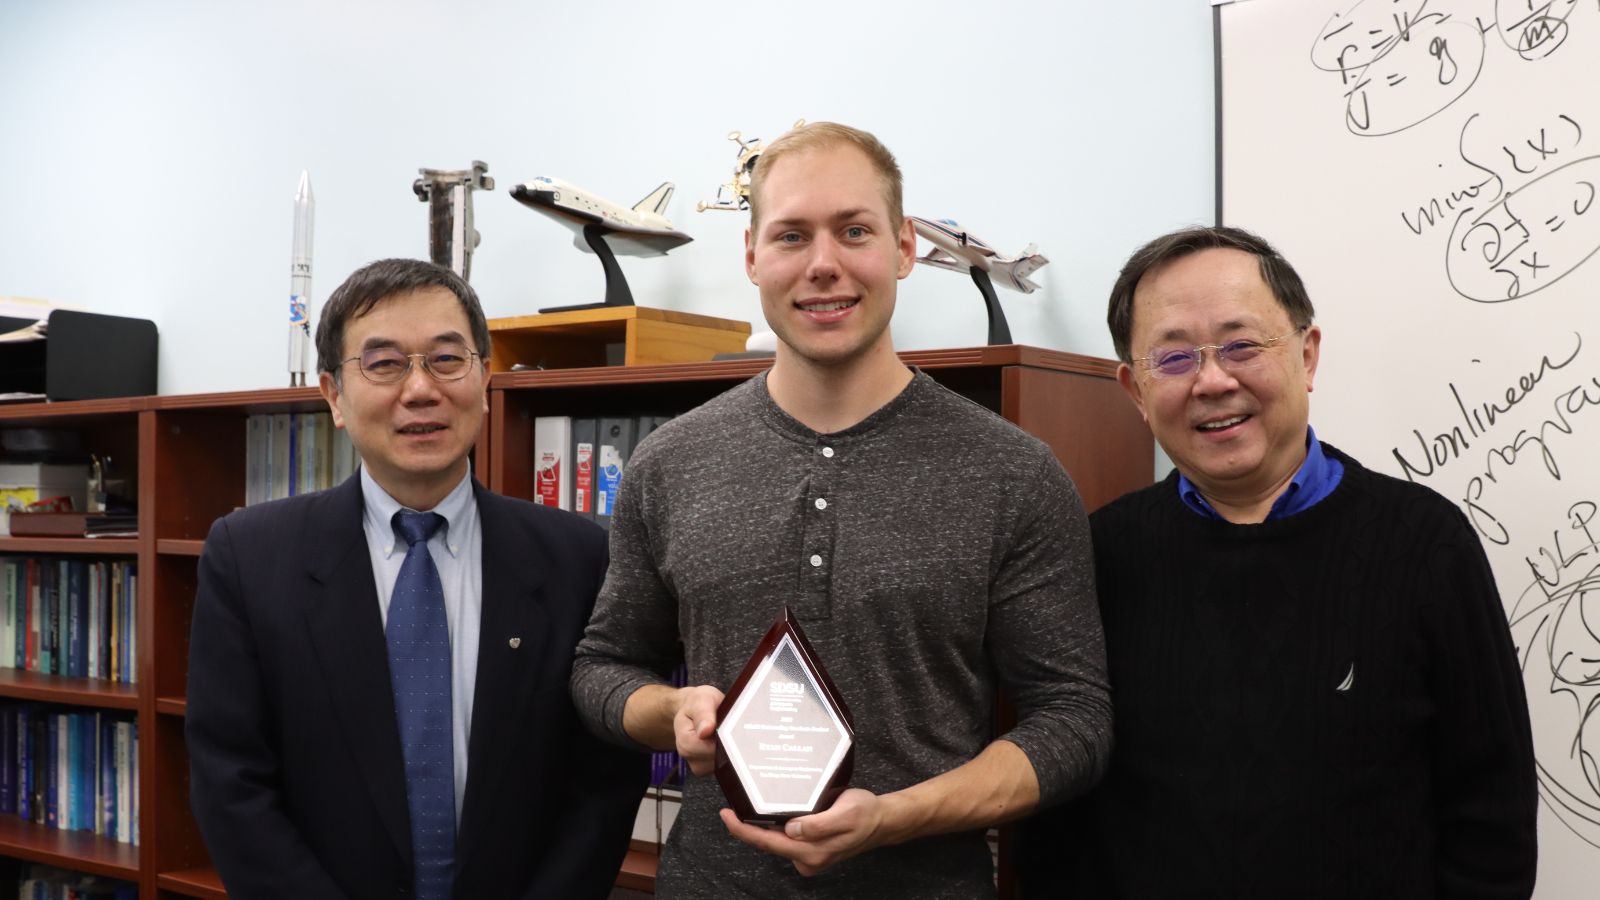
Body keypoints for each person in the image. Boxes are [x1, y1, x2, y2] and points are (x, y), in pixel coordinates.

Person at [570, 122, 1112, 898]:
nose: (824, 265)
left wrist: (897, 816)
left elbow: (1075, 722)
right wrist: (670, 711)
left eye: (853, 231)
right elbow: (601, 669)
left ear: (902, 250)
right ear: (753, 256)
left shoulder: (1013, 475)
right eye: (792, 235)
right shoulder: (669, 465)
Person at [1018, 226, 1538, 898]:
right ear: (1135, 391)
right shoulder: (1097, 555)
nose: (1212, 380)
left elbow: (1492, 819)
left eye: (1241, 345)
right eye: (1173, 360)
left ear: (1307, 354)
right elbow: (1060, 820)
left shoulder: (1426, 545)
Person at [187, 258, 645, 900]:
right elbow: (229, 780)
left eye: (447, 359)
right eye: (383, 363)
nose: (421, 390)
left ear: (485, 379)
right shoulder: (249, 555)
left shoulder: (575, 557)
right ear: (333, 396)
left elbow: (602, 781)